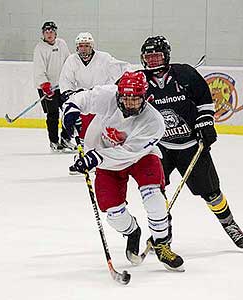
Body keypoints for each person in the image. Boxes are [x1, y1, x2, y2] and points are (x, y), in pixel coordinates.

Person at [62, 71, 184, 271]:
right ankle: (132, 232)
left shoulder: (154, 122)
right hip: (105, 162)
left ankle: (162, 243)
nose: (129, 104)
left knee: (154, 198)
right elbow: (78, 99)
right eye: (125, 98)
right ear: (118, 94)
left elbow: (128, 152)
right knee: (114, 214)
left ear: (145, 98)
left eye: (135, 99)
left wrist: (96, 158)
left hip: (139, 157)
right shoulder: (107, 95)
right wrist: (70, 110)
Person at [139, 35, 243, 249]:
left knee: (211, 193)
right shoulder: (140, 81)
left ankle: (229, 223)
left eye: (157, 57)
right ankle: (163, 233)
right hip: (160, 148)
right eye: (148, 58)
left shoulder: (186, 74)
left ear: (167, 56)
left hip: (191, 146)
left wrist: (206, 123)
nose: (153, 62)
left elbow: (204, 101)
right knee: (155, 192)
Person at [59, 32, 131, 172]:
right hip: (85, 102)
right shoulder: (72, 60)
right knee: (83, 133)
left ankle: (105, 160)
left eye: (86, 46)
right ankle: (84, 158)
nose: (84, 49)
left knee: (102, 133)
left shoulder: (104, 58)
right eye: (81, 46)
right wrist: (71, 96)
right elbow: (66, 81)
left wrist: (117, 86)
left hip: (102, 102)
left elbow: (125, 68)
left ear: (92, 46)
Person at [33, 21, 73, 152]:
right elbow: (39, 69)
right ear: (43, 34)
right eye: (46, 31)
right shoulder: (40, 48)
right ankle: (54, 141)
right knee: (53, 114)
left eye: (51, 31)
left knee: (70, 111)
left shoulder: (62, 44)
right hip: (47, 88)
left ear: (55, 32)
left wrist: (71, 78)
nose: (49, 34)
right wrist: (45, 84)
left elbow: (69, 62)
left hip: (63, 85)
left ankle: (66, 139)